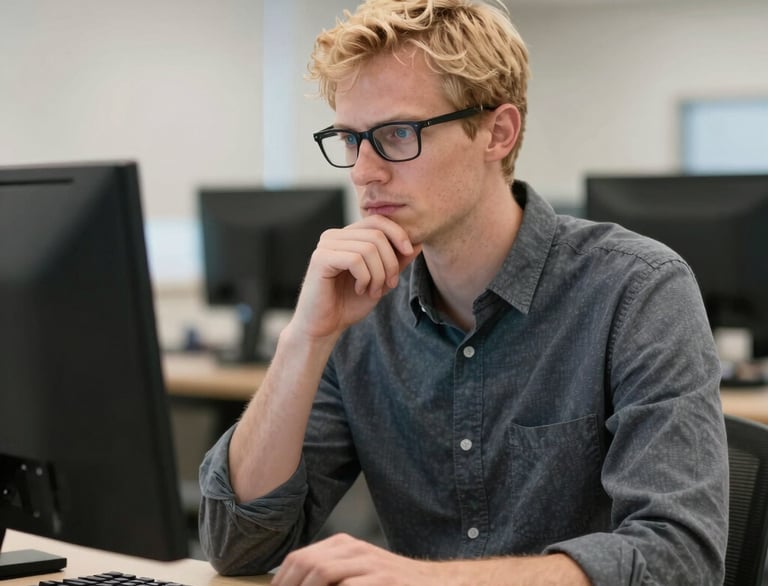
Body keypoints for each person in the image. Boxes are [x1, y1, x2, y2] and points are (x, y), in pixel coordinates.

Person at [198, 1, 729, 584]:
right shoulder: (361, 311)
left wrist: (427, 580)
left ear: (497, 133)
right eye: (351, 139)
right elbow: (237, 545)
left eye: (397, 133)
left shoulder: (637, 290)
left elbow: (679, 561)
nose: (363, 172)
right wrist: (305, 338)